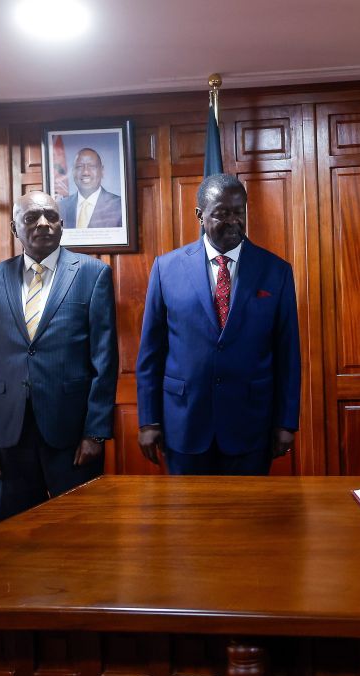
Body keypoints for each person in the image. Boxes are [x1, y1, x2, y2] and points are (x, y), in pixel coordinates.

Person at [0, 190, 118, 520]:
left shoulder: (93, 273)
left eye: (51, 216)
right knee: (16, 532)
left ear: (62, 224)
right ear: (14, 228)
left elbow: (105, 361)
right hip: (9, 431)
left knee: (79, 527)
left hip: (71, 431)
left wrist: (95, 432)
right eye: (31, 217)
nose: (43, 224)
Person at [136, 173, 300, 475]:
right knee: (186, 507)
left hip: (251, 425)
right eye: (222, 213)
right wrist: (149, 421)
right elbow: (151, 352)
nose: (233, 221)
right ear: (200, 215)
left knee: (247, 506)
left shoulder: (276, 271)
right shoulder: (166, 269)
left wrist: (286, 422)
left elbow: (288, 353)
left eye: (239, 212)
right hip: (184, 424)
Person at [59, 148, 124, 228]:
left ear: (102, 171)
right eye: (79, 167)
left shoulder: (120, 206)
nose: (85, 172)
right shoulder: (60, 207)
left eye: (92, 166)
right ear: (73, 171)